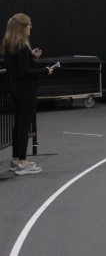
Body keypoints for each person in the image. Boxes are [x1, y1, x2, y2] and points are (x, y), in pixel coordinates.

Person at [3, 14, 53, 175]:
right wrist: (45, 71)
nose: (31, 27)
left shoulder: (10, 45)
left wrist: (31, 56)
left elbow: (18, 66)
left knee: (18, 125)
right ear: (22, 27)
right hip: (26, 91)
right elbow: (25, 72)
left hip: (15, 89)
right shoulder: (22, 47)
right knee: (24, 126)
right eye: (29, 24)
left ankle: (16, 159)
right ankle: (22, 163)